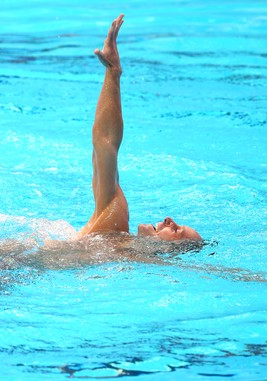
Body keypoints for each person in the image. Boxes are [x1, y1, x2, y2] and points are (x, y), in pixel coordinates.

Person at [77, 14, 202, 242]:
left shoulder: (124, 252)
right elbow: (105, 144)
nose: (168, 220)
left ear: (171, 252)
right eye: (177, 224)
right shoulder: (114, 223)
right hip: (2, 262)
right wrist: (113, 73)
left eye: (176, 230)